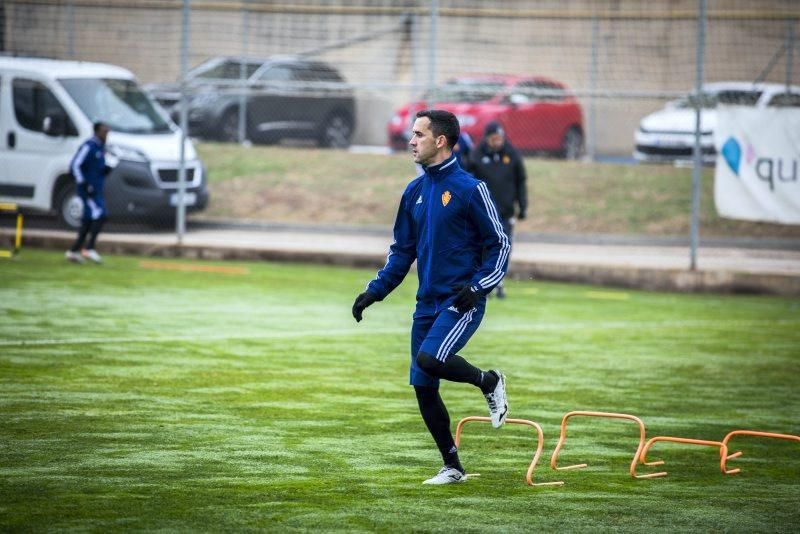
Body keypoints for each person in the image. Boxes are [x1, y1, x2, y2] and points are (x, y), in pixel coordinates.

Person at [352, 109, 510, 485]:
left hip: (462, 300)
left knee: (431, 358)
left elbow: (499, 244)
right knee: (423, 385)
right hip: (427, 303)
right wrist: (373, 292)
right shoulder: (414, 192)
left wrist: (478, 286)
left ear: (440, 141)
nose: (411, 141)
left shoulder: (471, 189)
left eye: (419, 134)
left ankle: (489, 381)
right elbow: (401, 251)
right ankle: (452, 466)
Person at [468, 121, 527, 299]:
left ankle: (499, 282)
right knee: (483, 247)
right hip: (483, 213)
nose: (498, 142)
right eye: (494, 138)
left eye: (500, 138)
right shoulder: (476, 156)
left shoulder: (512, 155)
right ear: (487, 138)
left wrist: (522, 205)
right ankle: (482, 283)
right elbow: (468, 183)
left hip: (505, 212)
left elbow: (520, 181)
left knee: (504, 247)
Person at [65, 122, 111, 264]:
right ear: (97, 131)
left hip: (96, 189)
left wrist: (106, 169)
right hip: (88, 191)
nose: (106, 135)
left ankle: (73, 251)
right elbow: (75, 165)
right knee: (100, 214)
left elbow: (97, 168)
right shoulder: (89, 146)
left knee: (88, 220)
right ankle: (89, 248)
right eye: (104, 132)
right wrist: (83, 183)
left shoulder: (101, 148)